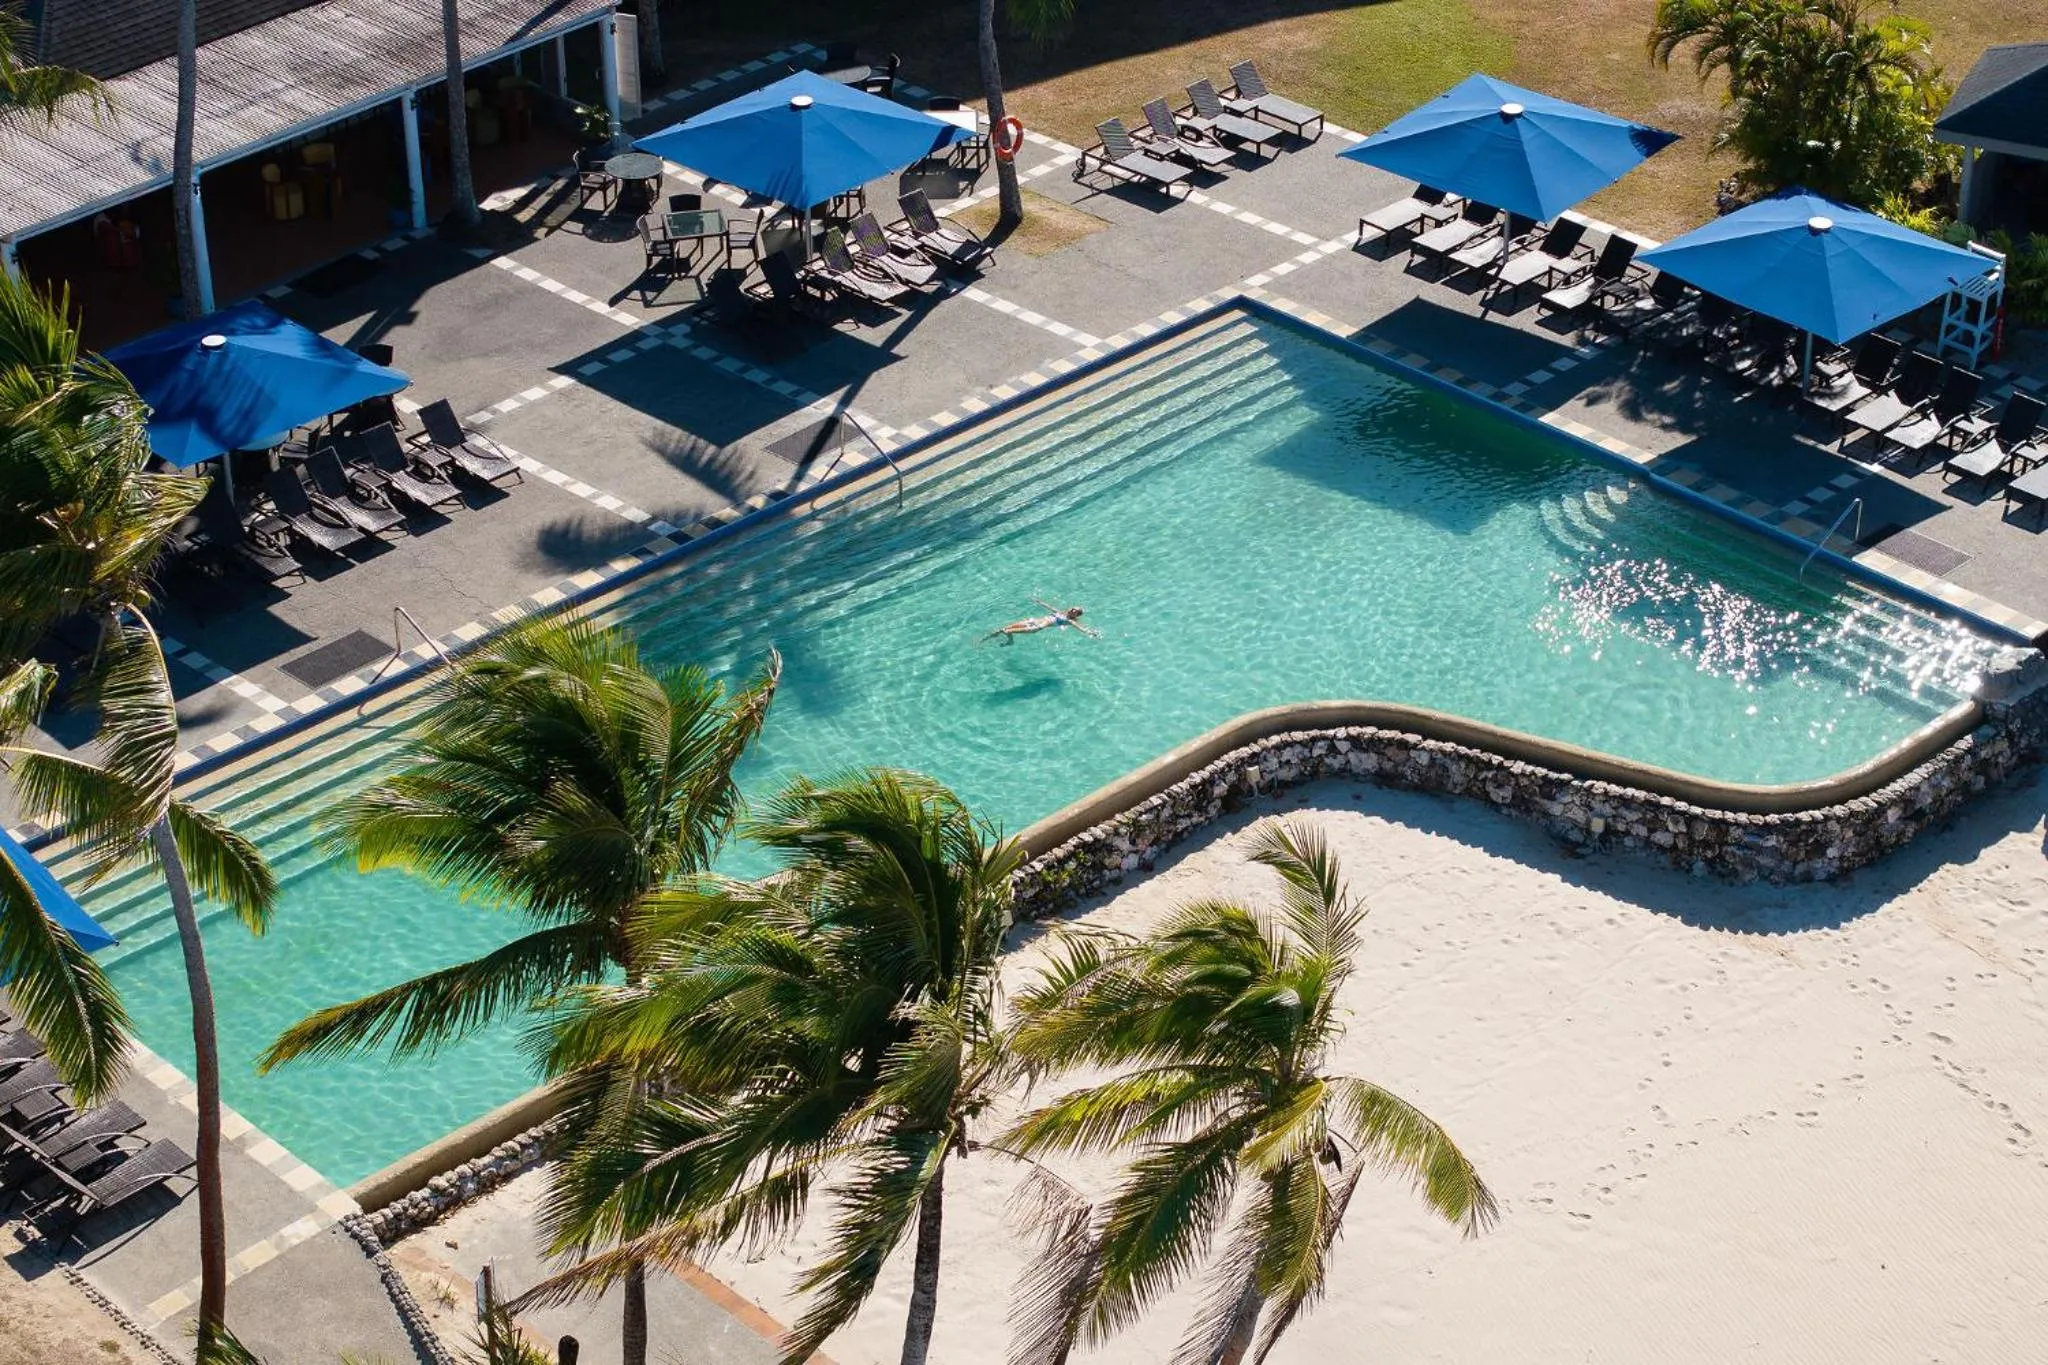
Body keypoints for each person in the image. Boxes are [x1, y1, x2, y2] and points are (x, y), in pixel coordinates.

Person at [981, 599, 1100, 645]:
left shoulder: (1069, 621)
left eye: (1075, 611)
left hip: (1036, 627)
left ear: (1076, 615)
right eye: (1073, 608)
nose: (1072, 610)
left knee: (1005, 630)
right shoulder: (1061, 612)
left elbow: (1080, 627)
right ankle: (984, 639)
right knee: (1003, 628)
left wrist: (1090, 632)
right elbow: (1049, 607)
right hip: (1032, 621)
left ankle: (1010, 641)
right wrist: (1038, 601)